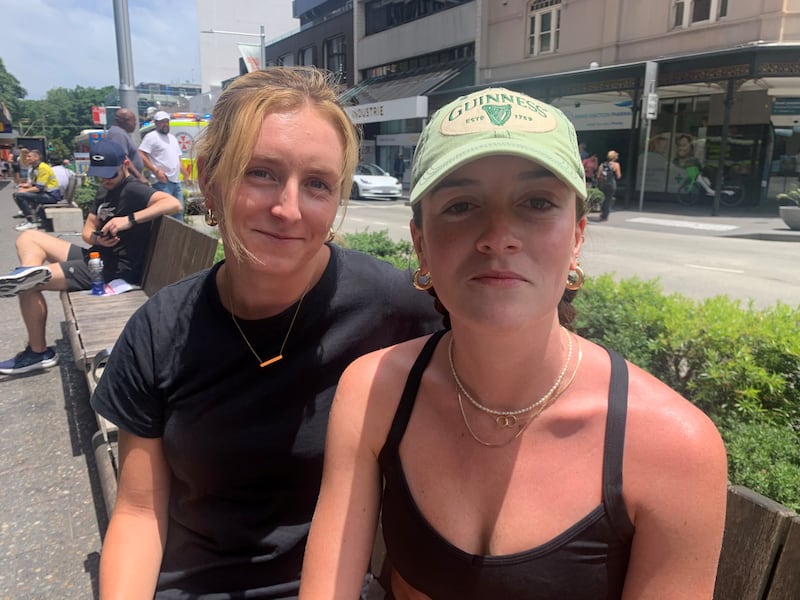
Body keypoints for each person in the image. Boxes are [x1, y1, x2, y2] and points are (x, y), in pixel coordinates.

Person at [300, 88, 728, 598]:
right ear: (421, 243)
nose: (499, 235)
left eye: (537, 203)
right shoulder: (375, 393)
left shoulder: (673, 447)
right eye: (461, 205)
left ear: (577, 236)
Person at [89, 66, 441, 599]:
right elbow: (139, 512)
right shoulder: (161, 332)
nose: (288, 209)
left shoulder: (396, 310)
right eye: (262, 173)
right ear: (210, 178)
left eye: (318, 184)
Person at [0, 140, 181, 376]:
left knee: (30, 285)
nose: (105, 180)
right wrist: (97, 239)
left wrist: (129, 220)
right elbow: (87, 230)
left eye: (110, 174)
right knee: (28, 238)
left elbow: (173, 203)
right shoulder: (105, 190)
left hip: (111, 270)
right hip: (96, 254)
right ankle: (28, 275)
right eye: (100, 176)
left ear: (125, 164)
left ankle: (39, 352)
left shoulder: (133, 189)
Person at [138, 110, 191, 219]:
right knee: (167, 213)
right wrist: (156, 171)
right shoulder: (151, 136)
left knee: (179, 210)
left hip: (176, 181)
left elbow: (177, 159)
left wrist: (185, 175)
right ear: (156, 123)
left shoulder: (172, 138)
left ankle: (178, 235)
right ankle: (166, 235)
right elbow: (141, 154)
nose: (165, 124)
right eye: (162, 122)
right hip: (162, 181)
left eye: (167, 122)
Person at [13, 149, 62, 231]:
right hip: (45, 194)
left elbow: (39, 188)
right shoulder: (36, 168)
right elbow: (34, 183)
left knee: (19, 195)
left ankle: (31, 221)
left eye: (29, 156)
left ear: (37, 157)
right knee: (19, 194)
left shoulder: (43, 168)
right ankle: (31, 218)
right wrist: (24, 186)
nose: (27, 158)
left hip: (51, 196)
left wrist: (23, 191)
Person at [105, 107, 147, 184]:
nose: (135, 123)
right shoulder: (118, 134)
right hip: (125, 181)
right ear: (124, 121)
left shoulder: (120, 133)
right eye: (133, 120)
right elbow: (122, 157)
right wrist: (139, 177)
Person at [597, 149, 622, 221]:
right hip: (611, 184)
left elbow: (598, 175)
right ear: (614, 157)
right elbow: (618, 176)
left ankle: (602, 213)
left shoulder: (603, 164)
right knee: (608, 199)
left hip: (603, 184)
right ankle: (605, 215)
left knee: (603, 198)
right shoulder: (616, 165)